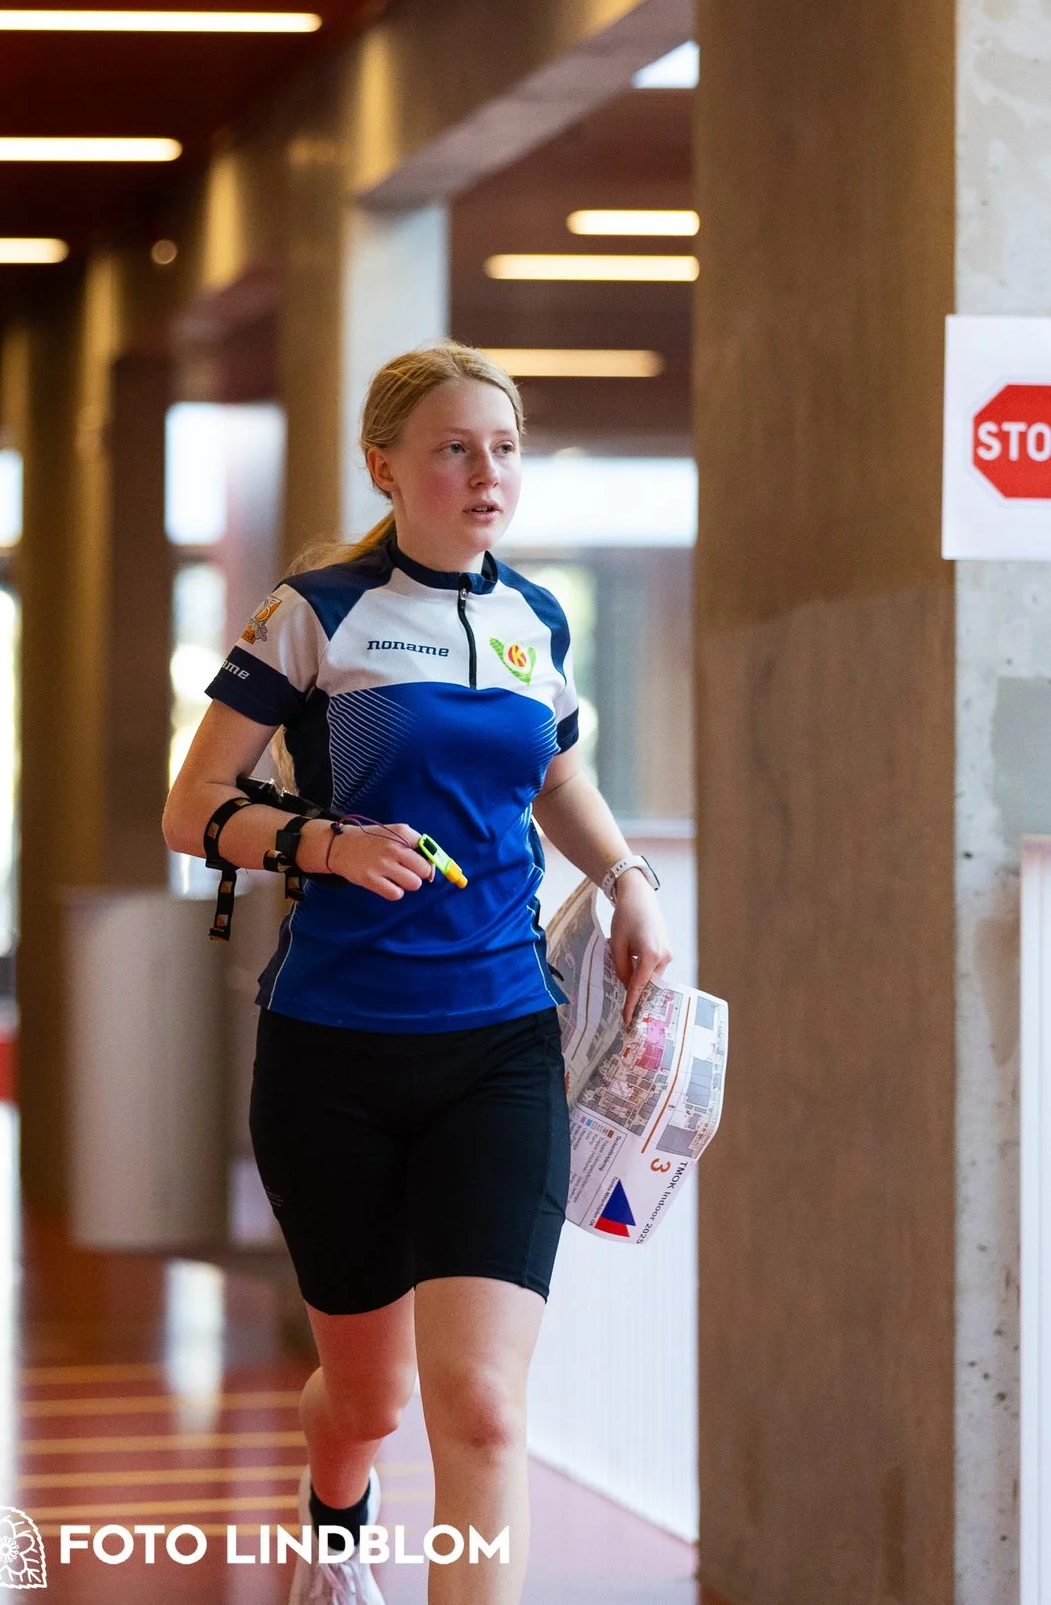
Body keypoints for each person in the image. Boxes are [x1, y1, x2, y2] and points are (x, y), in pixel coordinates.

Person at [163, 343, 672, 1605]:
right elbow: (191, 806)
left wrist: (627, 877)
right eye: (454, 448)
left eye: (503, 448)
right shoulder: (317, 612)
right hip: (331, 1049)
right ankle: (337, 1518)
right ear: (385, 465)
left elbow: (556, 772)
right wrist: (327, 843)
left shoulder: (533, 617)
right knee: (370, 1396)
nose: (486, 472)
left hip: (500, 1043)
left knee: (485, 1406)